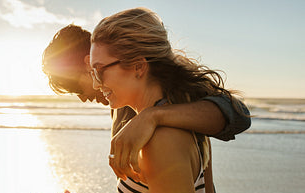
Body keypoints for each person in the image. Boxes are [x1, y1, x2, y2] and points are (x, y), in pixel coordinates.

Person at [38, 7, 239, 193]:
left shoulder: (162, 131)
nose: (93, 89)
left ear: (138, 66)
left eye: (97, 70)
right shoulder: (137, 106)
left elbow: (236, 113)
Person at [42, 24, 251, 183]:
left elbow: (239, 114)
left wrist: (153, 116)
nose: (82, 98)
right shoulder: (118, 99)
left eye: (77, 89)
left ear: (89, 63)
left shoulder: (154, 86)